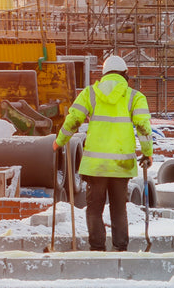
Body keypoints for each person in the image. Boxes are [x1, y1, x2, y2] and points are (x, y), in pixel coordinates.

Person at [54, 55, 153, 251]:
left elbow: (73, 121)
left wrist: (59, 142)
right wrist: (148, 153)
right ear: (125, 75)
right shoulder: (134, 96)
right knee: (119, 209)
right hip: (121, 165)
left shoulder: (90, 93)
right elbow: (143, 127)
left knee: (94, 209)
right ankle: (121, 248)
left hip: (95, 166)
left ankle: (97, 248)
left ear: (104, 74)